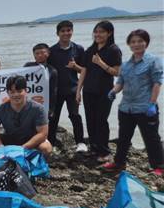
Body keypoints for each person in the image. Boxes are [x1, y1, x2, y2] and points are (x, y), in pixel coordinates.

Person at [102, 29, 163, 176]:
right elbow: (121, 82)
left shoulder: (153, 61)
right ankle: (119, 162)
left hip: (145, 107)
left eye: (140, 41)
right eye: (133, 42)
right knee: (123, 138)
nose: (137, 44)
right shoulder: (126, 65)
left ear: (146, 43)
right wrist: (113, 91)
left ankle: (159, 166)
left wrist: (152, 103)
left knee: (152, 138)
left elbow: (157, 83)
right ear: (129, 44)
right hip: (126, 108)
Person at [80, 21, 122, 163]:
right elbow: (84, 70)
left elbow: (117, 73)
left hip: (105, 92)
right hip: (89, 91)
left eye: (101, 32)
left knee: (101, 121)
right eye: (96, 32)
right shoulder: (90, 50)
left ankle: (104, 152)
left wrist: (101, 63)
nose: (98, 34)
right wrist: (78, 90)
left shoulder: (114, 50)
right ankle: (94, 149)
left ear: (109, 33)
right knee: (90, 121)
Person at [0, 75, 52, 157]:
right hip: (10, 138)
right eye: (12, 92)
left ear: (25, 91)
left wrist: (23, 148)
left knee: (46, 148)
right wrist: (1, 147)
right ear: (7, 92)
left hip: (31, 139)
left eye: (19, 91)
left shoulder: (38, 108)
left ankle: (36, 166)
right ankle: (0, 164)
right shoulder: (0, 109)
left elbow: (43, 133)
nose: (16, 95)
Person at [47, 20, 88, 153]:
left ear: (72, 32)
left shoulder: (79, 49)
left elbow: (85, 71)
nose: (66, 33)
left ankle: (80, 142)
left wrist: (76, 67)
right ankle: (51, 143)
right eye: (63, 31)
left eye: (68, 30)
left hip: (72, 89)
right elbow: (43, 70)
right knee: (53, 118)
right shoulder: (51, 51)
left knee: (75, 115)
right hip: (55, 91)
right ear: (57, 33)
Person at [23, 43, 57, 146]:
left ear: (48, 53)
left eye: (43, 52)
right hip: (28, 104)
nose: (40, 55)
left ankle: (48, 144)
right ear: (34, 55)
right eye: (37, 53)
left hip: (43, 105)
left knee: (43, 126)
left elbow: (53, 91)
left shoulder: (52, 71)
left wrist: (52, 109)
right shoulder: (28, 66)